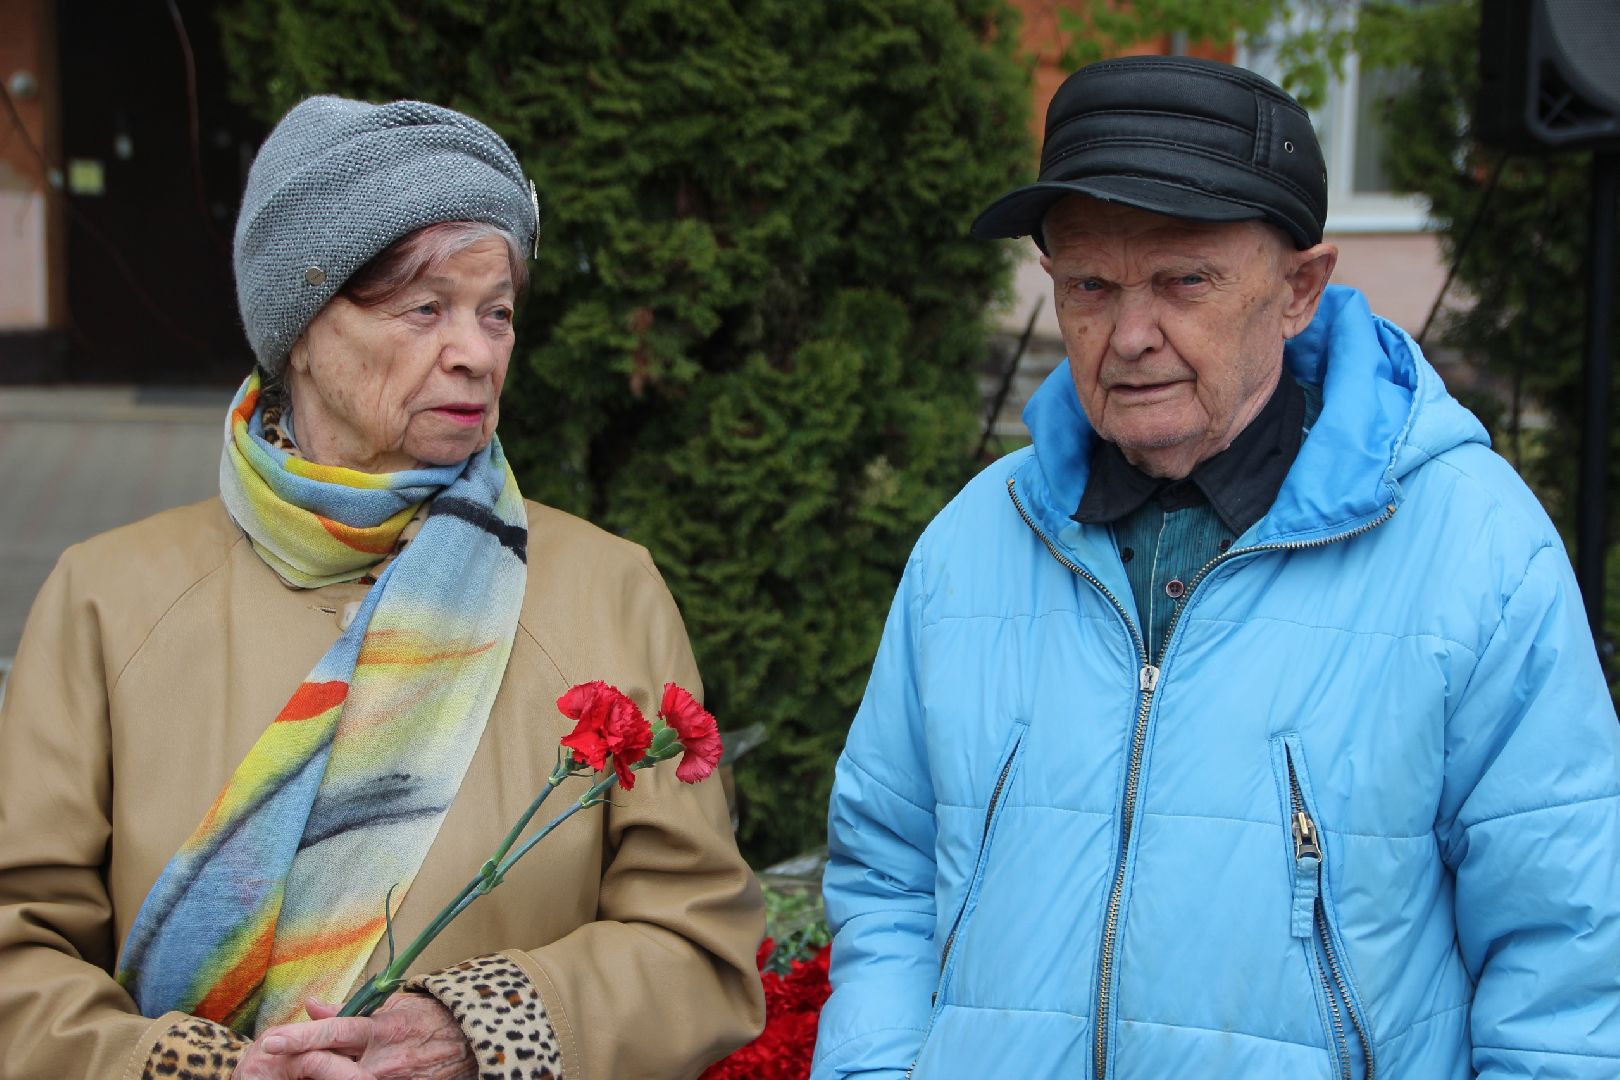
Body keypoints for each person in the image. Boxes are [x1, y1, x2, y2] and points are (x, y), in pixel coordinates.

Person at [813, 55, 1620, 1079]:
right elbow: (886, 877)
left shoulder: (1475, 550)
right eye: (1089, 286)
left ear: (1300, 288)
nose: (1130, 334)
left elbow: (1570, 956)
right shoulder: (974, 542)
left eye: (1183, 280)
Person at [0, 95, 764, 1080]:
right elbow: (18, 955)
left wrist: (480, 1030)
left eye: (497, 312)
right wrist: (197, 1069)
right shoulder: (108, 602)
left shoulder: (606, 593)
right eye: (424, 308)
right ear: (303, 330)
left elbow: (700, 951)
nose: (478, 352)